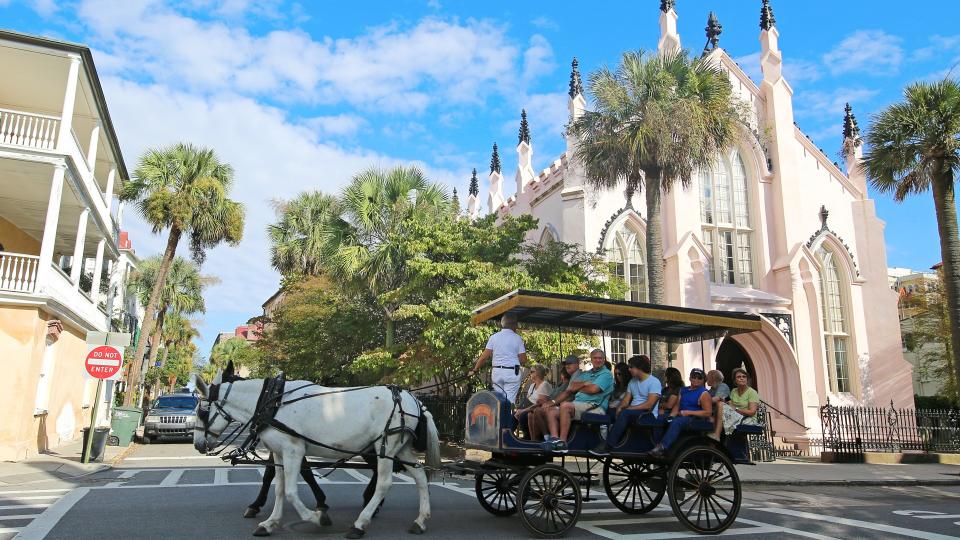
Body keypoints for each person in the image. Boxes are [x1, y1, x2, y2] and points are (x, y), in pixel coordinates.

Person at [543, 349, 614, 452]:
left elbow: (593, 389)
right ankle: (555, 440)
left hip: (594, 406)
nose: (598, 360)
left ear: (603, 360)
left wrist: (579, 387)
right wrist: (552, 402)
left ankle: (563, 442)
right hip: (578, 405)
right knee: (551, 410)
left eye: (600, 358)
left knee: (565, 405)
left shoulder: (606, 374)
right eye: (595, 358)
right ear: (591, 359)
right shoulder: (586, 374)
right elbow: (571, 388)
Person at [590, 355, 661, 456]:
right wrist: (619, 407)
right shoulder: (633, 381)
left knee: (625, 413)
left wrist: (628, 408)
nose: (629, 369)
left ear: (639, 367)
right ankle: (604, 437)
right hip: (633, 412)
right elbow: (626, 400)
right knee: (611, 411)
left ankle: (608, 445)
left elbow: (649, 405)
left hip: (647, 415)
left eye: (631, 367)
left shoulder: (654, 382)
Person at [645, 368, 713, 458]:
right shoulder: (683, 390)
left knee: (677, 422)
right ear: (690, 378)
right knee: (659, 419)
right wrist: (671, 416)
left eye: (699, 378)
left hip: (695, 419)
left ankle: (662, 447)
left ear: (703, 380)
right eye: (694, 377)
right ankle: (657, 446)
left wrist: (688, 412)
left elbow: (708, 412)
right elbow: (677, 406)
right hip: (681, 415)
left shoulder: (703, 393)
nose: (696, 380)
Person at [469, 313, 527, 403]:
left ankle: (499, 416)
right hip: (512, 372)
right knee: (509, 402)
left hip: (497, 372)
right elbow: (523, 360)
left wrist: (475, 369)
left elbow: (484, 357)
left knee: (498, 401)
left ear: (502, 324)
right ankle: (508, 415)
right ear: (515, 325)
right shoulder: (517, 338)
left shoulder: (494, 337)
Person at [529, 356, 580, 442]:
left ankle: (554, 439)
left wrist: (551, 402)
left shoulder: (578, 376)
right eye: (566, 364)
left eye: (570, 363)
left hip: (568, 405)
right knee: (533, 411)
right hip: (562, 404)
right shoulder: (566, 381)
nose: (567, 366)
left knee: (538, 410)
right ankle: (544, 438)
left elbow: (568, 393)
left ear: (577, 364)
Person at [712, 367, 760, 439]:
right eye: (739, 377)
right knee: (720, 403)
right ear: (735, 380)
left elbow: (752, 412)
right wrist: (725, 402)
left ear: (747, 379)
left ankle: (717, 435)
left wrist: (736, 409)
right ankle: (715, 432)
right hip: (736, 416)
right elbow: (731, 405)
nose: (741, 378)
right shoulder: (734, 391)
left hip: (748, 419)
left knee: (720, 405)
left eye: (744, 377)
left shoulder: (752, 392)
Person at [514, 365, 553, 439]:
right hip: (529, 407)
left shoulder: (545, 385)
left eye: (532, 372)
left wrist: (523, 410)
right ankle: (509, 435)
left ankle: (528, 437)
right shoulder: (532, 385)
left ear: (537, 373)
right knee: (514, 414)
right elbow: (528, 399)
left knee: (523, 415)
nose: (530, 373)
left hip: (537, 409)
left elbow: (540, 403)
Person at [706, 369, 731, 441]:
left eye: (707, 377)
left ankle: (716, 435)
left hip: (722, 416)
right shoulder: (710, 390)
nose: (706, 379)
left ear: (713, 378)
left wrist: (704, 401)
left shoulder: (723, 386)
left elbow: (716, 399)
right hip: (712, 414)